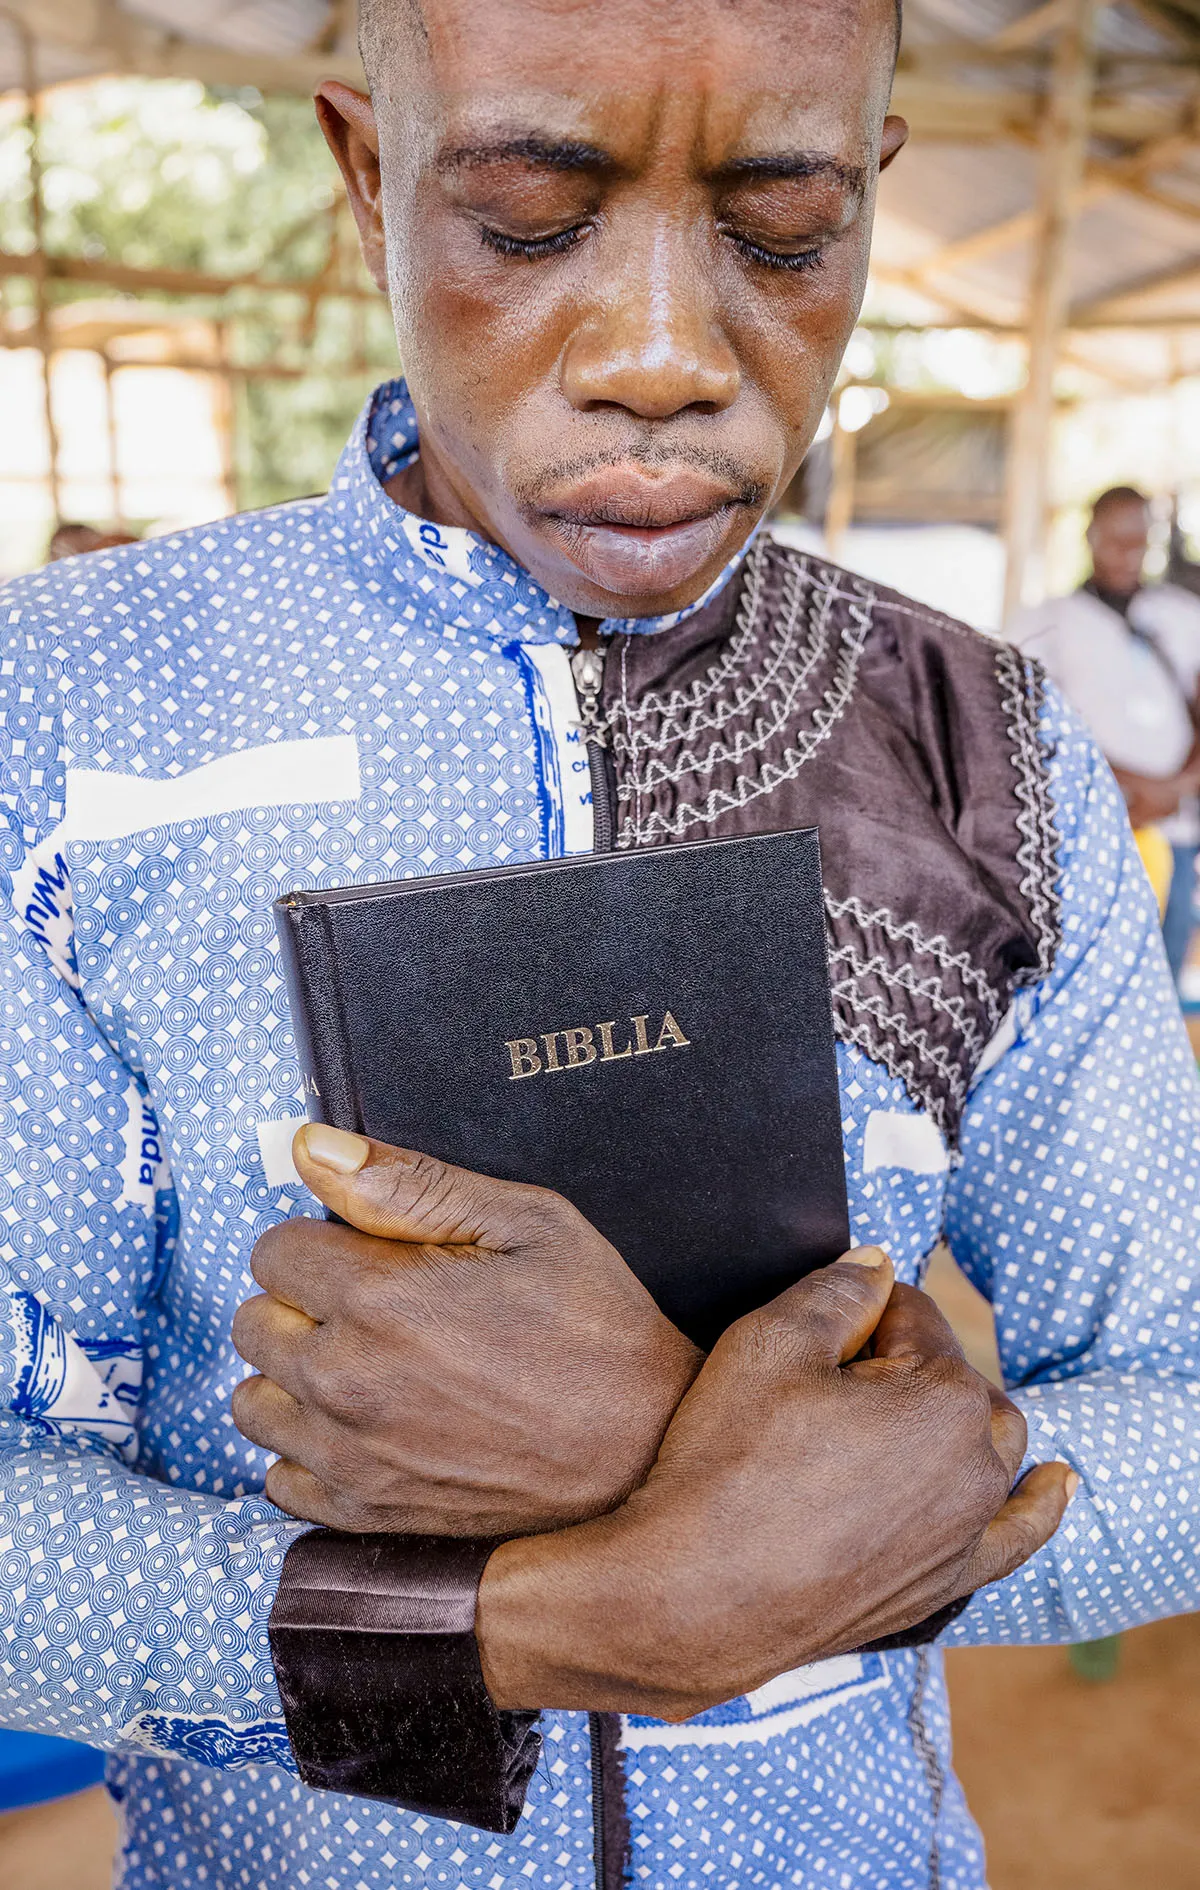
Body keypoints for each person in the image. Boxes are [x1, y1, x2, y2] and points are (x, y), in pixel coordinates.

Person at [0, 4, 1197, 1887]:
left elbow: (1188, 1405)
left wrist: (661, 1454)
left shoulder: (984, 745)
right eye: (528, 221)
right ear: (371, 174)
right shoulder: (73, 712)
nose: (663, 356)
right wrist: (538, 1615)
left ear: (873, 187)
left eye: (785, 232)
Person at [1008, 486, 1200, 986]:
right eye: (1115, 540)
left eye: (1138, 540)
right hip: (1091, 829)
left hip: (1173, 828)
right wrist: (1130, 782)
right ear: (1090, 537)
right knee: (1091, 975)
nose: (1127, 553)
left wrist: (1177, 788)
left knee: (1163, 970)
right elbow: (1031, 729)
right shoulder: (1049, 623)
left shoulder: (1182, 616)